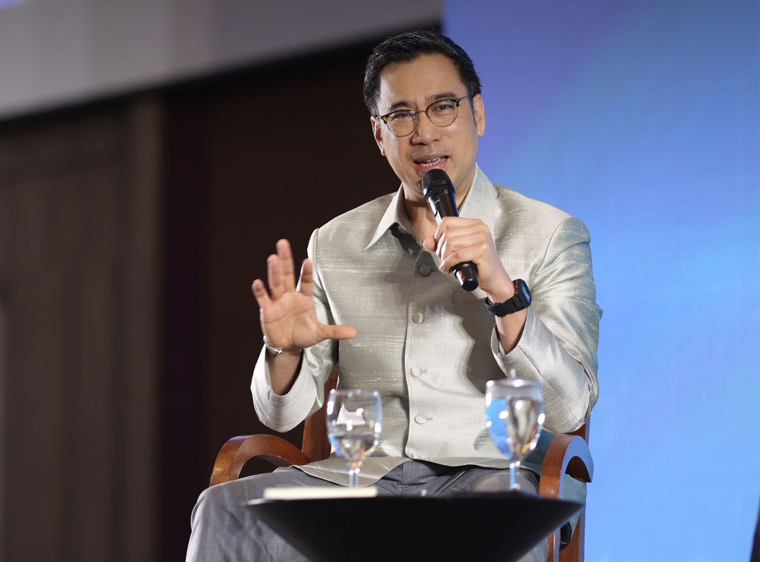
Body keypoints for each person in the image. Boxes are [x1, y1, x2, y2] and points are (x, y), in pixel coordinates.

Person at [185, 30, 601, 562]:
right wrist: (284, 349)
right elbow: (280, 415)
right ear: (379, 134)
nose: (424, 133)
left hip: (493, 476)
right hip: (360, 479)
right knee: (226, 507)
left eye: (443, 107)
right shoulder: (334, 241)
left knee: (503, 521)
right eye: (401, 115)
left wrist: (503, 293)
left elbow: (567, 409)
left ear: (477, 114)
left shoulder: (549, 234)